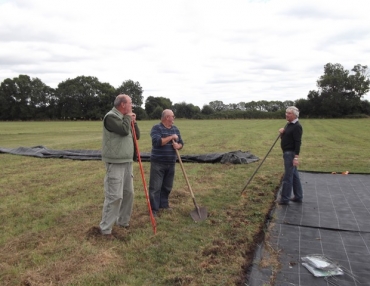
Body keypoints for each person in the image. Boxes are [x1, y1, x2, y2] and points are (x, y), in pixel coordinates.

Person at [99, 94, 140, 239]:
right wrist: (129, 118)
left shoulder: (125, 118)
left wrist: (134, 122)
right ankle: (105, 229)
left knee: (129, 193)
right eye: (130, 103)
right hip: (115, 162)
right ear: (123, 104)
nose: (132, 105)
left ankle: (123, 222)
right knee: (114, 196)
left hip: (127, 161)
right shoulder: (110, 117)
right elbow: (123, 130)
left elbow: (137, 136)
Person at [149, 109, 184, 217]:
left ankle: (164, 205)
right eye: (173, 116)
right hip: (158, 163)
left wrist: (178, 146)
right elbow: (157, 142)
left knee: (167, 186)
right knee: (155, 187)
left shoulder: (175, 129)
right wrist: (171, 138)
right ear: (167, 117)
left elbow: (181, 143)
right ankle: (154, 209)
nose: (174, 118)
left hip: (171, 162)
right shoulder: (156, 128)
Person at [278, 106, 303, 205]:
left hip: (290, 153)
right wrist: (282, 133)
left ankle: (284, 199)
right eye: (286, 113)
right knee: (294, 176)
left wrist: (296, 157)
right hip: (286, 152)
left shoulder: (297, 126)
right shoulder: (288, 124)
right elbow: (286, 139)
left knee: (288, 177)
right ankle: (298, 196)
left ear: (295, 115)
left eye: (289, 113)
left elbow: (298, 142)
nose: (286, 115)